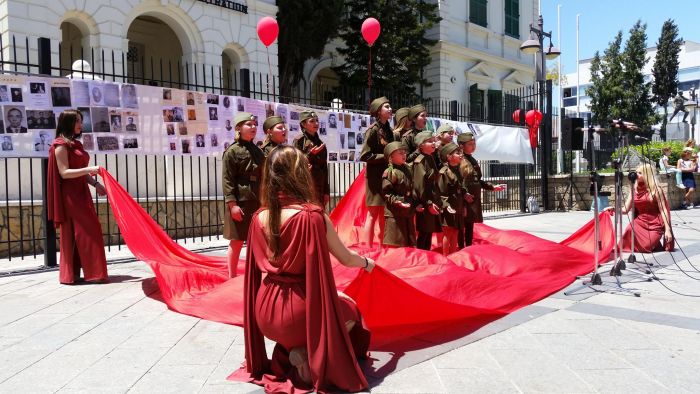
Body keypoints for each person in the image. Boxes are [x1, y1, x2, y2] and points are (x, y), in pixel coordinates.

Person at [230, 145, 374, 392]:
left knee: (332, 304)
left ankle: (290, 349)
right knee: (351, 310)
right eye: (304, 165)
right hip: (300, 311)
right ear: (298, 174)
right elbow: (347, 259)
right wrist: (368, 263)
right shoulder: (313, 215)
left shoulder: (258, 218)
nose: (309, 167)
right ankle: (307, 355)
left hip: (265, 312)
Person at [47, 109, 108, 285]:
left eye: (81, 121)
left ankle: (75, 274)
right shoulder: (60, 146)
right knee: (89, 230)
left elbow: (80, 173)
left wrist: (96, 185)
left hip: (82, 193)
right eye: (78, 121)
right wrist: (90, 169)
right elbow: (64, 173)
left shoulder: (76, 144)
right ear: (68, 123)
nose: (81, 125)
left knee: (83, 232)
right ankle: (93, 273)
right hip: (70, 197)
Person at [222, 112, 264, 278]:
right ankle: (231, 276)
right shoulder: (232, 151)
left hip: (257, 199)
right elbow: (227, 180)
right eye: (249, 124)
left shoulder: (258, 150)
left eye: (254, 124)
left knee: (257, 239)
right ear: (238, 128)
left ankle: (254, 273)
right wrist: (233, 205)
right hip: (241, 200)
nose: (253, 127)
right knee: (238, 240)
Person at [605, 164, 674, 252]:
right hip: (640, 221)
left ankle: (654, 243)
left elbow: (663, 210)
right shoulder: (634, 189)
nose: (636, 175)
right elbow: (625, 209)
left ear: (647, 175)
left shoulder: (656, 190)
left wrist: (667, 229)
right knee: (629, 229)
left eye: (640, 173)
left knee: (646, 247)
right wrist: (614, 209)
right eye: (636, 172)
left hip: (655, 223)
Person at [359, 97, 397, 247]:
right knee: (372, 214)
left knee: (384, 214)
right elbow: (365, 155)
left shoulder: (389, 130)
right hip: (375, 178)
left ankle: (382, 246)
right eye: (386, 107)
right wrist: (386, 156)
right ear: (378, 112)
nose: (390, 109)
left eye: (389, 106)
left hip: (386, 177)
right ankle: (368, 249)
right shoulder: (373, 130)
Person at [458, 132, 506, 247]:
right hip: (464, 198)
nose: (473, 146)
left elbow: (477, 180)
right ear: (461, 145)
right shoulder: (459, 159)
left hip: (473, 198)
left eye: (474, 143)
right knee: (461, 227)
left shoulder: (472, 159)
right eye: (470, 144)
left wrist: (492, 187)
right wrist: (464, 195)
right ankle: (460, 249)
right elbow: (458, 181)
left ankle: (468, 248)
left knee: (469, 225)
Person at [381, 141, 415, 247]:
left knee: (408, 243)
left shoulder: (407, 170)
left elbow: (411, 189)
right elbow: (386, 193)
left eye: (404, 152)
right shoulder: (390, 172)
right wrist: (398, 201)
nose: (404, 155)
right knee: (395, 243)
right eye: (400, 153)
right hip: (394, 214)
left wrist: (416, 204)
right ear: (391, 156)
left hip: (407, 212)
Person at [412, 131, 442, 250]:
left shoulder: (429, 158)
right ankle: (422, 259)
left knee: (428, 233)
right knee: (424, 234)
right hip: (424, 203)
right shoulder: (420, 161)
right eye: (430, 141)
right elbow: (420, 187)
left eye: (434, 141)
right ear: (421, 145)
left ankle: (427, 258)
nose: (433, 143)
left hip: (431, 201)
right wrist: (428, 203)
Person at [293, 111, 330, 207]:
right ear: (303, 124)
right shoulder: (299, 141)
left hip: (320, 183)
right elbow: (296, 163)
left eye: (317, 121)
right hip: (306, 182)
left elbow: (324, 168)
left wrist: (327, 191)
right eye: (312, 121)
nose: (316, 123)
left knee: (320, 212)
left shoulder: (320, 142)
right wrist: (310, 154)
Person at [438, 142, 466, 255]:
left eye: (460, 153)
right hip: (449, 207)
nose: (460, 155)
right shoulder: (444, 172)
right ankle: (445, 257)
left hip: (457, 206)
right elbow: (440, 192)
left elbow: (460, 188)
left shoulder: (457, 170)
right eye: (457, 153)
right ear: (449, 157)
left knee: (455, 232)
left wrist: (465, 197)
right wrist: (446, 205)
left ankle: (453, 255)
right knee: (447, 232)